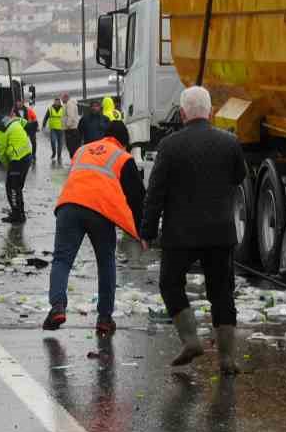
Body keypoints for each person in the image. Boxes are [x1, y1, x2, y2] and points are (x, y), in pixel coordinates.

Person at [140, 85, 248, 374]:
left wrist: (147, 231)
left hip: (180, 234)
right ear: (211, 112)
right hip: (220, 233)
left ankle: (190, 340)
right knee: (222, 291)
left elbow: (156, 193)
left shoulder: (170, 146)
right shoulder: (230, 143)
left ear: (183, 113)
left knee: (170, 284)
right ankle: (227, 358)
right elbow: (239, 176)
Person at [43, 120, 146, 336]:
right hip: (100, 211)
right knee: (105, 262)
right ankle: (105, 318)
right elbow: (137, 197)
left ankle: (57, 307)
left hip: (69, 206)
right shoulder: (122, 157)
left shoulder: (82, 150)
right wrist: (141, 231)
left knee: (62, 260)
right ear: (123, 142)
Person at [0, 105, 33, 223]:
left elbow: (1, 153)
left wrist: (8, 167)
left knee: (12, 187)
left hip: (17, 159)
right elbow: (23, 122)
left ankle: (17, 216)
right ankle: (19, 213)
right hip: (26, 153)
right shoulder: (8, 119)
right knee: (17, 187)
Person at [45, 95, 67, 166]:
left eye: (58, 101)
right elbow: (46, 117)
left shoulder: (63, 108)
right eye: (55, 101)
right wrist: (43, 125)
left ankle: (59, 156)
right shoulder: (50, 109)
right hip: (53, 129)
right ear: (54, 102)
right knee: (53, 141)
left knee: (60, 144)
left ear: (59, 102)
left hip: (61, 129)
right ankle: (54, 153)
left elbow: (66, 117)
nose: (56, 102)